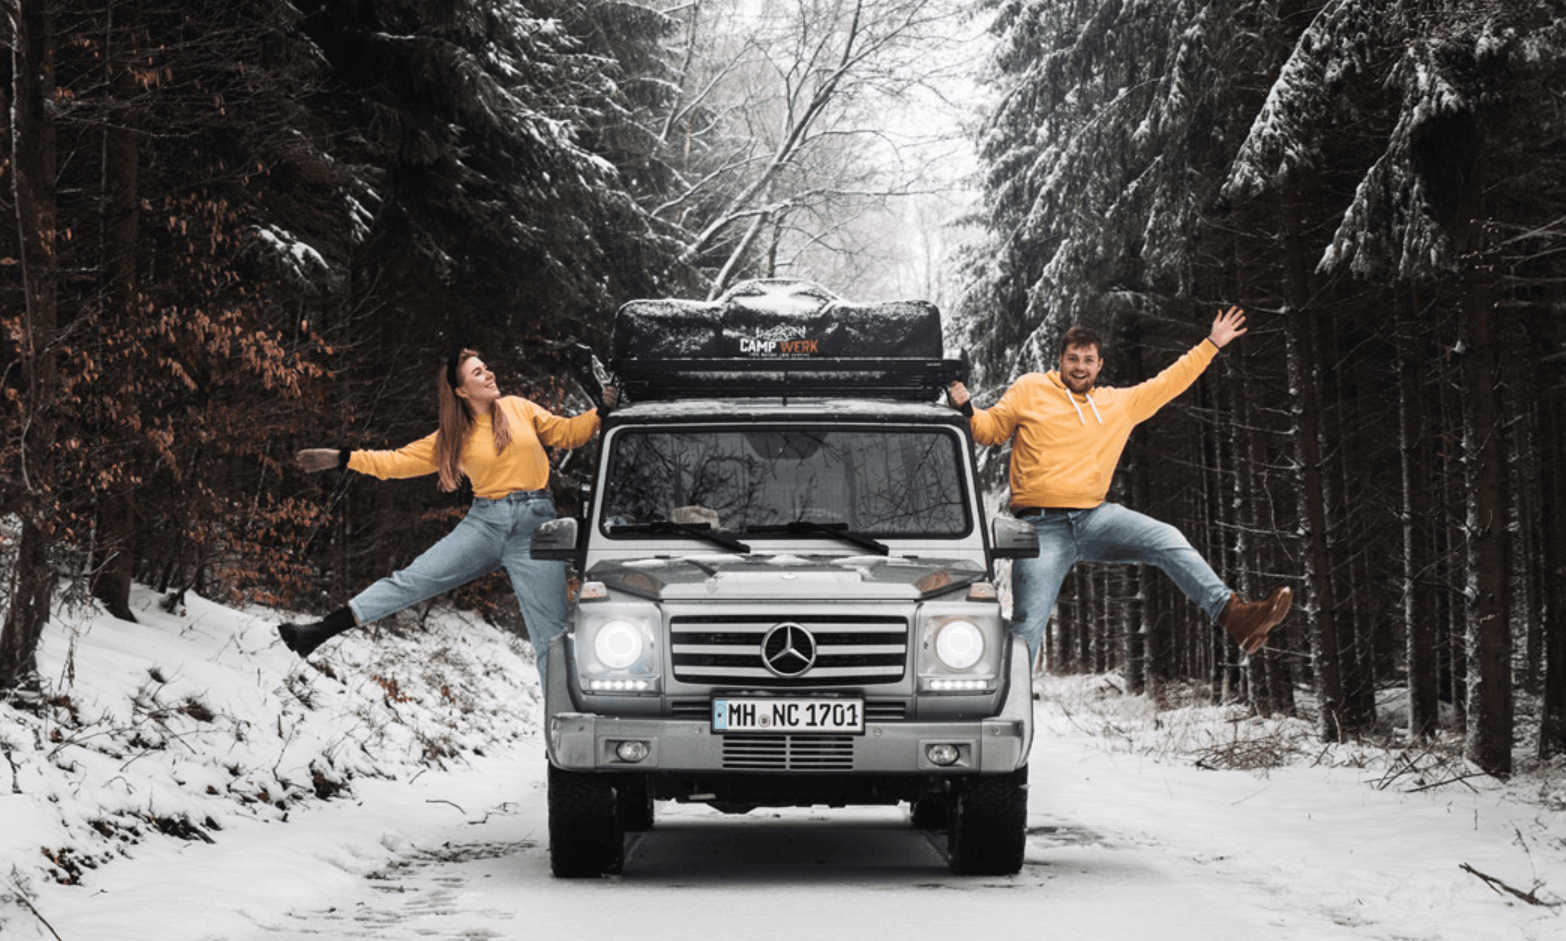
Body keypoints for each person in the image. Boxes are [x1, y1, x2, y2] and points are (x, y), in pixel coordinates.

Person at [948, 307, 1291, 663]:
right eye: (1073, 359)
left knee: (1167, 539)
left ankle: (1234, 615)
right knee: (1028, 624)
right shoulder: (1030, 389)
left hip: (1095, 519)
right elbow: (990, 429)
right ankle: (1008, 709)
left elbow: (1168, 382)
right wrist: (967, 408)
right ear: (1061, 361)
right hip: (1040, 529)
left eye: (1088, 360)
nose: (1080, 367)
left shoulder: (1117, 404)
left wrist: (1211, 344)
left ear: (1100, 365)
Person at [279, 349, 615, 684]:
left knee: (552, 640)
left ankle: (561, 733)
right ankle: (318, 631)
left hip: (535, 528)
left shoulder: (519, 407)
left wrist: (602, 410)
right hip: (486, 523)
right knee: (412, 579)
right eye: (478, 373)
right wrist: (343, 457)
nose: (489, 374)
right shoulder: (453, 437)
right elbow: (396, 463)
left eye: (487, 368)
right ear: (461, 391)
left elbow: (570, 433)